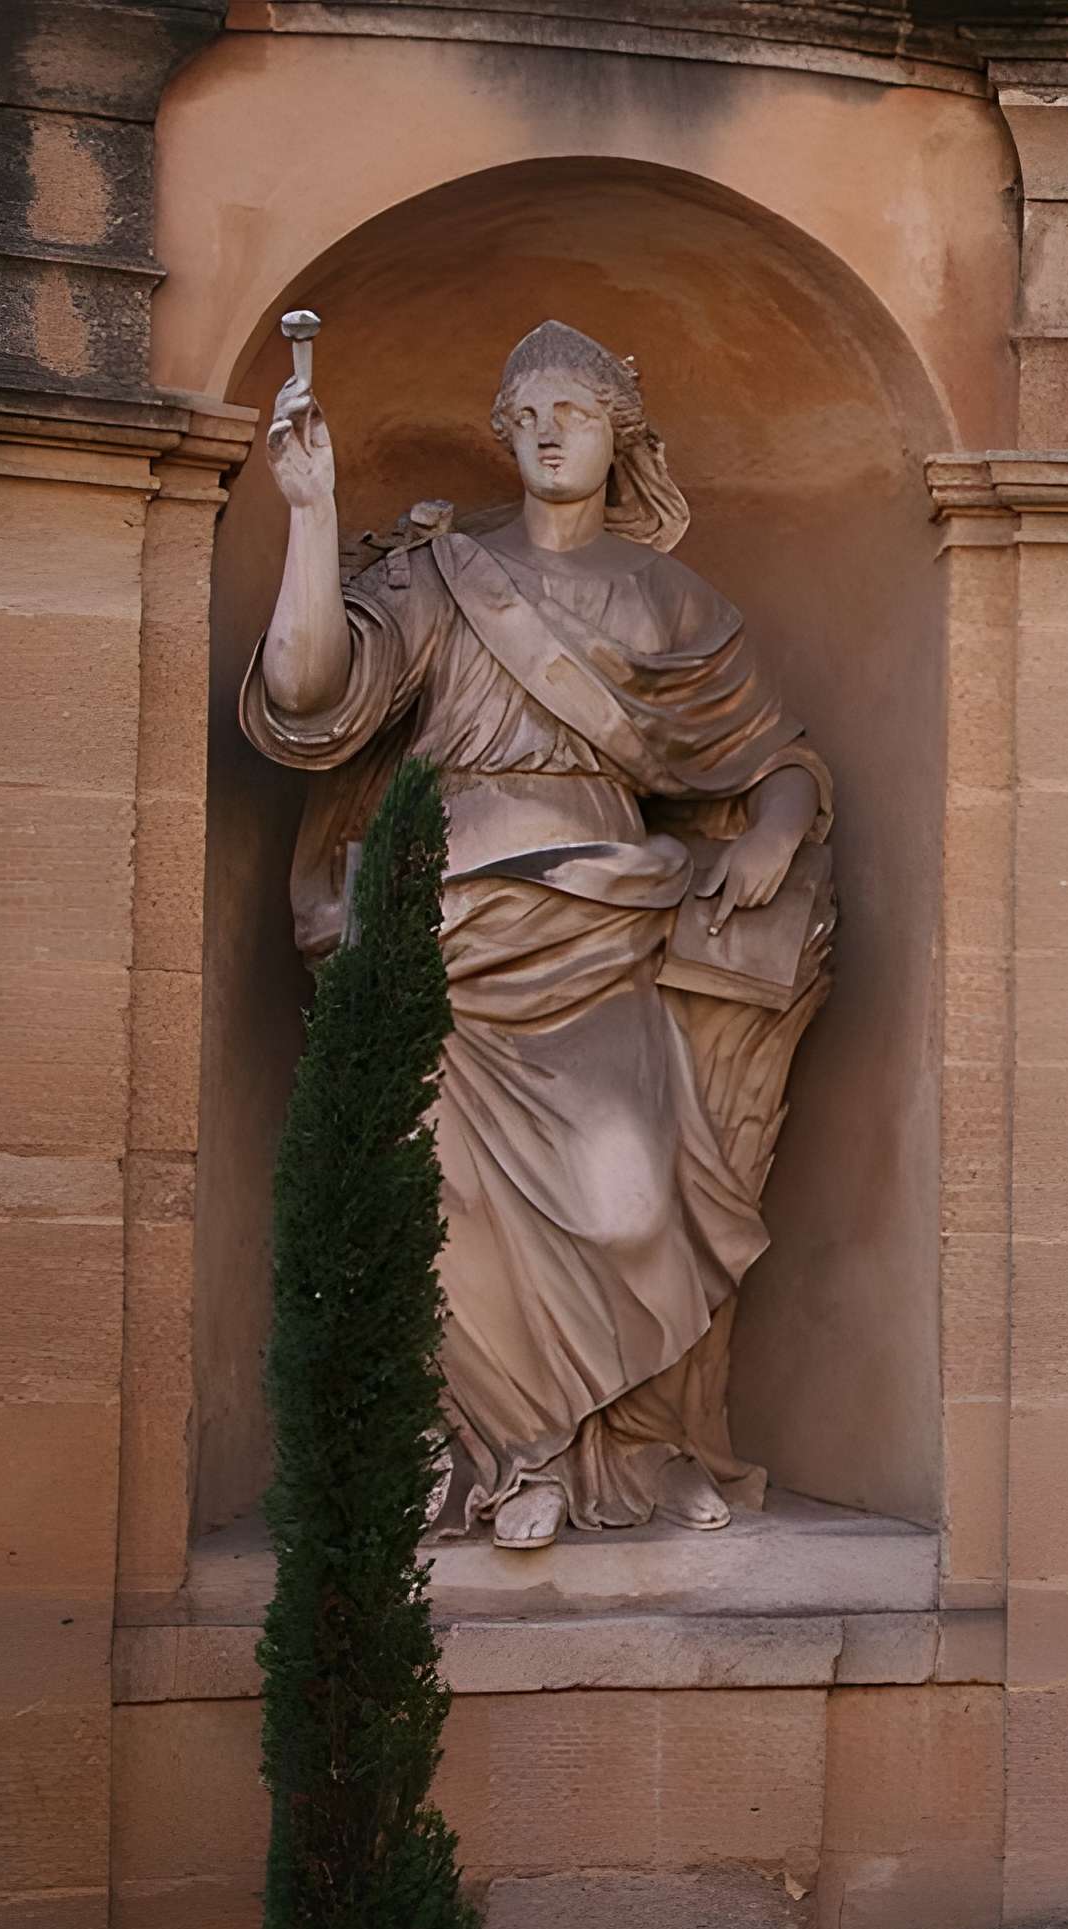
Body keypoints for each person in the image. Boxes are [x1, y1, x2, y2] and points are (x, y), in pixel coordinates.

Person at [246, 319, 836, 1549]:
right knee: (443, 1212)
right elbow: (308, 698)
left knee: (628, 1208)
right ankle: (503, 1462)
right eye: (524, 414)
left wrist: (775, 831)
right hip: (442, 929)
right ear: (503, 432)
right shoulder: (441, 575)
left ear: (618, 430)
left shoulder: (669, 598)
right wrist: (309, 512)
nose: (547, 432)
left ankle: (622, 1450)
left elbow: (771, 756)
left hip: (604, 927)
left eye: (572, 410)